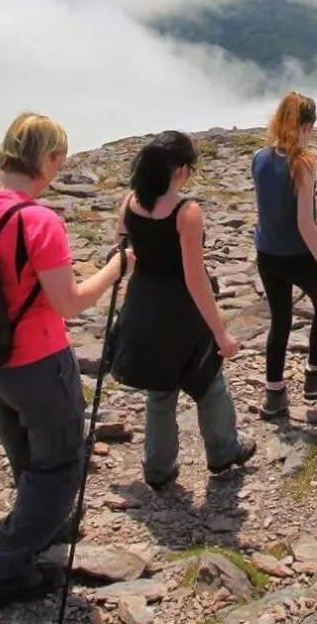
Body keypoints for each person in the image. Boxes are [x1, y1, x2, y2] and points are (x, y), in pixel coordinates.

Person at [0, 112, 131, 611]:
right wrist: (116, 268)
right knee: (61, 465)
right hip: (40, 361)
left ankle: (46, 523)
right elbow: (68, 303)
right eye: (59, 159)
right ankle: (7, 569)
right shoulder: (37, 221)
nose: (59, 169)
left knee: (24, 450)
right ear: (45, 158)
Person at [110, 131, 257, 489]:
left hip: (143, 303)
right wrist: (221, 333)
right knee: (209, 379)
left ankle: (158, 469)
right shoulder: (186, 212)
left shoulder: (130, 201)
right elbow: (195, 277)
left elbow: (122, 246)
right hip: (180, 310)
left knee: (160, 390)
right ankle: (223, 450)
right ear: (179, 170)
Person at [251, 92, 317, 418]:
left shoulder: (260, 157)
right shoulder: (304, 163)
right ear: (305, 126)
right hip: (296, 255)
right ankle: (315, 374)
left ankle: (274, 393)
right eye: (311, 127)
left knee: (280, 321)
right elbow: (305, 223)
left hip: (267, 253)